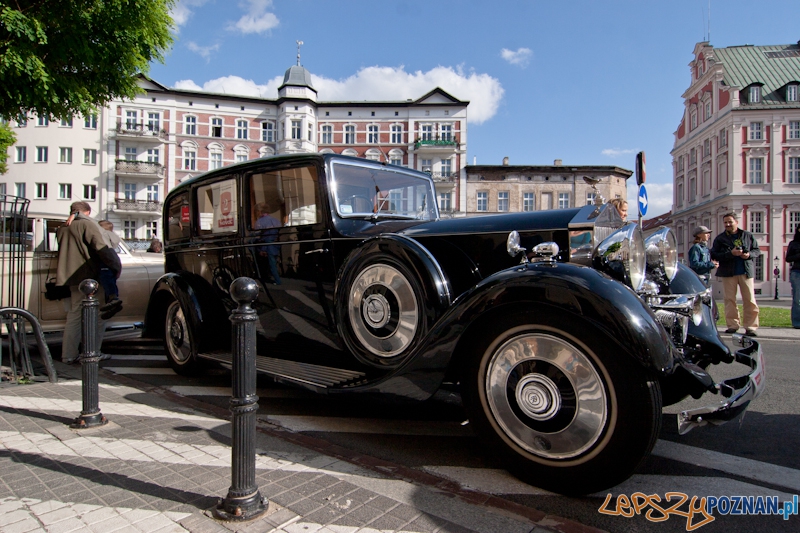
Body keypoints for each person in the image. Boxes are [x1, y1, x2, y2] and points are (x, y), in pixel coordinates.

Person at [56, 202, 121, 363]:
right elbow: (102, 249)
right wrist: (115, 267)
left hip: (70, 277)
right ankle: (92, 351)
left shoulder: (63, 227)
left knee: (74, 316)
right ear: (87, 211)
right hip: (90, 277)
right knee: (99, 316)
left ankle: (69, 354)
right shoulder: (88, 225)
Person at [710, 211, 760, 336]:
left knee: (749, 300)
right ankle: (732, 325)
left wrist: (748, 255)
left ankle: (751, 327)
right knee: (729, 299)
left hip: (745, 271)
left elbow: (756, 250)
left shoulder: (747, 235)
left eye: (730, 222)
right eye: (725, 222)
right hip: (728, 272)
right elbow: (714, 254)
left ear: (736, 222)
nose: (727, 224)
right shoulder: (720, 239)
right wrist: (730, 254)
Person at [97, 220, 124, 320]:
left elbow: (103, 249)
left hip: (106, 261)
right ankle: (112, 301)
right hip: (113, 261)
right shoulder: (113, 236)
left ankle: (113, 299)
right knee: (111, 281)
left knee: (106, 280)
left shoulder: (103, 235)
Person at [253, 202, 282, 285]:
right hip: (275, 244)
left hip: (266, 245)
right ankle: (275, 278)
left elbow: (257, 235)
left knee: (271, 264)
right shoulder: (275, 220)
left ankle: (277, 281)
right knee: (273, 263)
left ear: (259, 211)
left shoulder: (259, 222)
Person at [786, 225, 800, 329]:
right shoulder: (793, 244)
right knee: (797, 298)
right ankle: (797, 322)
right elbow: (788, 259)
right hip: (797, 272)